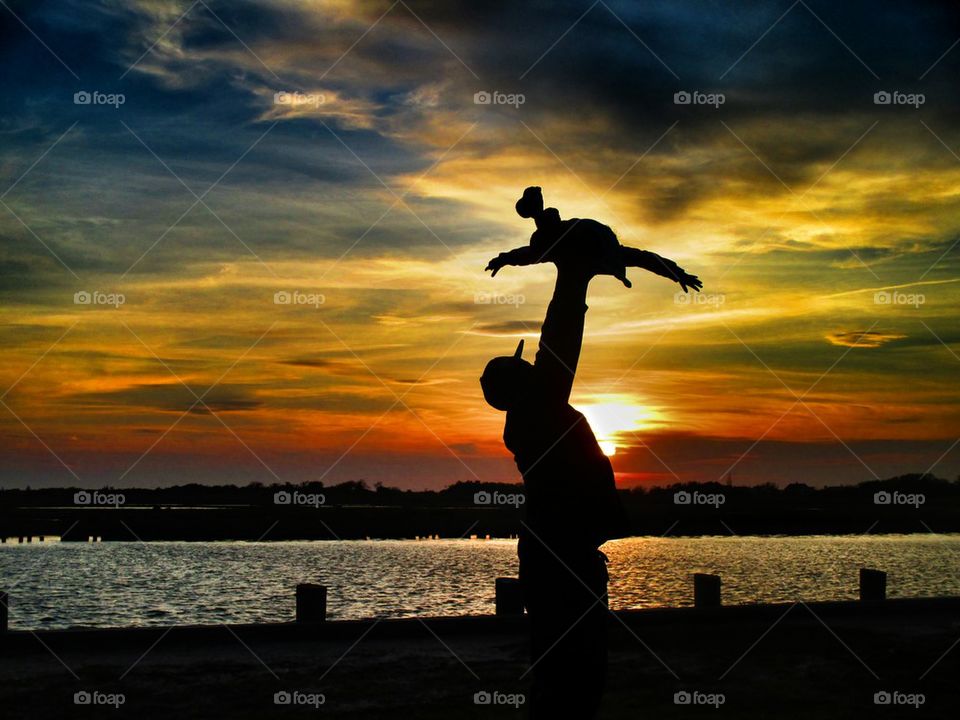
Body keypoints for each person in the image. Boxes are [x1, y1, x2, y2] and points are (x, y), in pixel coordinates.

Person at [479, 264, 628, 718]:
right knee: (574, 669)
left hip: (555, 552)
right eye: (525, 367)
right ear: (521, 383)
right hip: (561, 556)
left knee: (564, 666)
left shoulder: (532, 414)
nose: (533, 366)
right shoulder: (539, 411)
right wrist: (572, 280)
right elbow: (558, 342)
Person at [485, 186, 703, 293]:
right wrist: (504, 259)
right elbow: (643, 258)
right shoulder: (558, 239)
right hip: (568, 303)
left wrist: (676, 273)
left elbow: (644, 258)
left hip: (570, 301)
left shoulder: (577, 236)